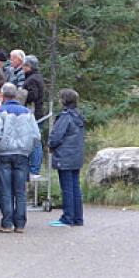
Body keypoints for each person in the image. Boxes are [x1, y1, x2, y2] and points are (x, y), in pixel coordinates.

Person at [0, 83, 40, 233]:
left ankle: (7, 223)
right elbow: (36, 136)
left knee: (5, 188)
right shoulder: (28, 112)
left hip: (4, 153)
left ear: (3, 95)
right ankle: (20, 224)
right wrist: (27, 148)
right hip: (22, 153)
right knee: (20, 190)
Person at [48, 89, 86, 227]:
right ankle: (78, 217)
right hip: (76, 155)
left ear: (63, 100)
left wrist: (50, 144)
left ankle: (68, 217)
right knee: (75, 187)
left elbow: (57, 136)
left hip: (64, 156)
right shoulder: (78, 116)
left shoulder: (65, 116)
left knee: (67, 188)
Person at [22, 55, 45, 180]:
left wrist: (21, 94)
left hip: (34, 114)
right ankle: (33, 168)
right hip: (37, 112)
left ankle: (34, 169)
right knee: (35, 141)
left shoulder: (31, 80)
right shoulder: (36, 77)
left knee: (35, 142)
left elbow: (33, 95)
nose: (22, 68)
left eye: (24, 66)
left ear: (29, 66)